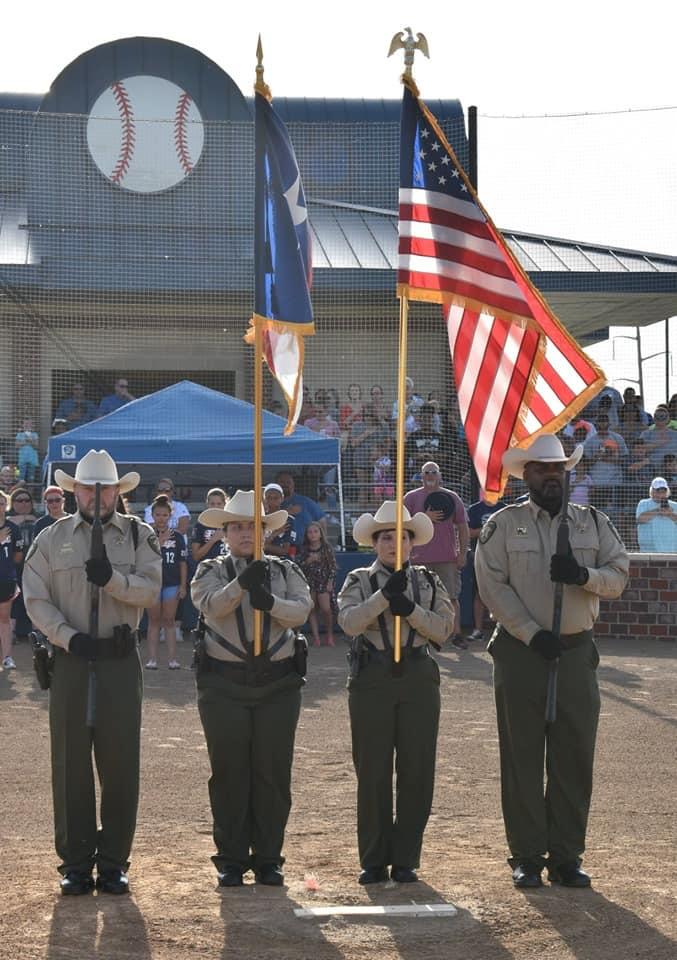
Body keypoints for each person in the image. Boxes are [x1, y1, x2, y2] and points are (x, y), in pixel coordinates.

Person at [474, 434, 629, 890]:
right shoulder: (502, 525)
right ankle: (526, 854)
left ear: (567, 472)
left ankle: (566, 855)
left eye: (558, 467)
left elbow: (618, 576)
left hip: (576, 652)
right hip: (522, 654)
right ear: (526, 474)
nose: (551, 475)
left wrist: (584, 576)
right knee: (522, 755)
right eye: (541, 468)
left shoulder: (592, 523)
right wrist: (531, 632)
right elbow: (492, 586)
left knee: (573, 755)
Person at [22, 449, 162, 896]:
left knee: (120, 763)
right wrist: (67, 637)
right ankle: (77, 863)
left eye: (105, 488)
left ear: (117, 493)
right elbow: (35, 597)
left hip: (120, 660)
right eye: (88, 487)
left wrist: (113, 582)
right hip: (72, 660)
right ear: (74, 490)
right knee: (70, 763)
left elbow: (151, 589)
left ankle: (115, 862)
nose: (96, 496)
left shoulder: (139, 537)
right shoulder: (52, 537)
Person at [190, 490, 312, 887]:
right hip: (224, 685)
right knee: (228, 773)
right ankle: (230, 858)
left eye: (253, 526)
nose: (245, 533)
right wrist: (241, 585)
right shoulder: (209, 571)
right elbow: (210, 607)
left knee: (272, 773)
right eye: (237, 527)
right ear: (225, 533)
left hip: (277, 686)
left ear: (264, 532)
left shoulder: (285, 571)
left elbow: (301, 611)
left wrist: (269, 600)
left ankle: (268, 857)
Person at [337, 501, 453, 885]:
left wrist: (411, 609)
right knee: (372, 770)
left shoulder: (428, 581)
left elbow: (443, 629)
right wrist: (384, 598)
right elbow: (350, 623)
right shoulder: (358, 580)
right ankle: (373, 858)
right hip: (373, 674)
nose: (393, 544)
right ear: (375, 544)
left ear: (412, 544)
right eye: (386, 537)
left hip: (418, 674)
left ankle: (406, 857)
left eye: (401, 537)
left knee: (417, 769)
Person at [403, 461, 469, 648]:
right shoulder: (411, 498)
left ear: (440, 475)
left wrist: (462, 553)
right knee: (417, 598)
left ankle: (456, 634)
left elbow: (463, 528)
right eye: (426, 472)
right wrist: (424, 517)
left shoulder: (452, 497)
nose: (430, 475)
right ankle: (420, 636)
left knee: (451, 597)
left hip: (447, 557)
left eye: (433, 472)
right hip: (418, 558)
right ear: (421, 476)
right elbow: (402, 526)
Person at [145, 495, 188, 670]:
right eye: (157, 514)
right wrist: (160, 542)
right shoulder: (147, 534)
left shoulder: (177, 537)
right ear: (152, 516)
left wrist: (183, 585)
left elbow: (182, 563)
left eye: (164, 515)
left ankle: (172, 659)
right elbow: (144, 558)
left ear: (170, 516)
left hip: (171, 583)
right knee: (154, 620)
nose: (161, 518)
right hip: (153, 583)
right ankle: (152, 659)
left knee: (169, 621)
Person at [467, 486, 511, 642]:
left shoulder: (505, 509)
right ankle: (478, 630)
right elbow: (469, 533)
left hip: (502, 557)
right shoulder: (474, 509)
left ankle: (504, 628)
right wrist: (488, 529)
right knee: (479, 593)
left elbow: (510, 533)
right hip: (480, 556)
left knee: (502, 592)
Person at [297, 521, 337, 647]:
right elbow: (298, 566)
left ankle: (329, 635)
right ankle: (316, 638)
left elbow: (333, 567)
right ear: (306, 535)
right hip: (309, 582)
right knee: (312, 609)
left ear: (320, 534)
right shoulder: (303, 549)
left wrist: (330, 582)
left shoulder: (326, 548)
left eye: (315, 531)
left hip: (323, 582)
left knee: (326, 609)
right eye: (310, 532)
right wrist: (308, 561)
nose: (313, 534)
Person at [0, 491, 22, 670]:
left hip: (6, 579)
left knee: (4, 619)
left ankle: (7, 657)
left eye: (1, 503)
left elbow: (18, 556)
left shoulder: (14, 529)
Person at [275, 472, 325, 545]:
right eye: (282, 482)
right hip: (278, 547)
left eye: (288, 482)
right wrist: (287, 512)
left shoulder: (305, 501)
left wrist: (321, 544)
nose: (285, 484)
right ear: (276, 485)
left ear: (293, 485)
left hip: (304, 548)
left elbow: (322, 520)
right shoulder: (271, 502)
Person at [404, 404, 449, 481]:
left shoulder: (440, 437)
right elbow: (411, 454)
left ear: (432, 419)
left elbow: (444, 455)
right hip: (418, 473)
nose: (426, 420)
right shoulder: (413, 436)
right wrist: (424, 456)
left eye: (429, 418)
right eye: (424, 418)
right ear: (420, 419)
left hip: (436, 473)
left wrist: (431, 457)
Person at [635, 476, 677, 552]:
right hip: (649, 550)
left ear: (667, 492)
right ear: (652, 491)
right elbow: (639, 519)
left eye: (663, 491)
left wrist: (670, 514)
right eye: (658, 491)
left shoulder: (674, 505)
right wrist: (657, 510)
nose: (660, 494)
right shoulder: (643, 503)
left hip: (671, 550)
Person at [191, 488, 229, 564]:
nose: (215, 507)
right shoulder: (201, 525)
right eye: (212, 504)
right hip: (208, 569)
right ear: (207, 504)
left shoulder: (231, 523)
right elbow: (195, 556)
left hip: (228, 568)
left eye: (219, 504)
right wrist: (213, 539)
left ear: (225, 504)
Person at [263, 483, 297, 559]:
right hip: (262, 560)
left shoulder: (288, 520)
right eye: (269, 497)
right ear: (264, 499)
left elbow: (284, 550)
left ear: (282, 498)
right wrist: (275, 534)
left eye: (276, 498)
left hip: (282, 562)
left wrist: (265, 545)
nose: (272, 500)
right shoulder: (260, 519)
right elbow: (257, 546)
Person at [15, 417, 40, 484]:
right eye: (25, 423)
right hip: (22, 460)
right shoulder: (19, 434)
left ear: (32, 425)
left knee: (31, 479)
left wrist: (29, 441)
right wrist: (26, 441)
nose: (27, 425)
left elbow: (36, 446)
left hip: (32, 460)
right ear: (22, 425)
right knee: (20, 479)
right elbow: (16, 446)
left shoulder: (35, 434)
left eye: (29, 423)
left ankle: (30, 494)